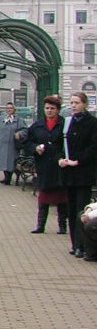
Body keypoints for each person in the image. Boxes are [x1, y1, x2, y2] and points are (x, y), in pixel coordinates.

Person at [58, 90, 97, 258]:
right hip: (68, 172)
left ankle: (83, 245)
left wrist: (78, 160)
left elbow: (93, 148)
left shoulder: (92, 123)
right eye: (72, 103)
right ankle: (75, 244)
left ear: (85, 104)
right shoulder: (67, 122)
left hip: (83, 172)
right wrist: (60, 159)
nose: (73, 106)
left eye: (77, 103)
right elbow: (58, 143)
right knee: (71, 208)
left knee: (81, 209)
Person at [26, 95, 68, 234]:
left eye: (52, 108)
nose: (49, 111)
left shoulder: (64, 125)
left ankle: (62, 225)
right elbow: (28, 142)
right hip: (43, 164)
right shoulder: (37, 125)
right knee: (43, 195)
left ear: (58, 110)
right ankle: (40, 225)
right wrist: (35, 148)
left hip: (59, 165)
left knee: (61, 197)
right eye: (47, 108)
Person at [0, 105, 22, 185]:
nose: (9, 110)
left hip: (13, 145)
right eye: (7, 108)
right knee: (3, 162)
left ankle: (10, 177)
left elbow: (24, 130)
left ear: (14, 109)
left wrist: (19, 134)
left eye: (11, 108)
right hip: (3, 145)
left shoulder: (19, 120)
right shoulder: (0, 119)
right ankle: (6, 178)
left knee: (12, 162)